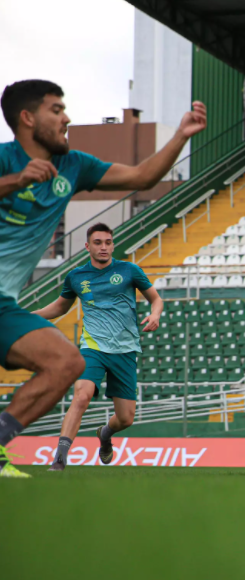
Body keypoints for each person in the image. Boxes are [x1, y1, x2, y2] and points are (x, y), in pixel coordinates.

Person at [0, 80, 206, 478]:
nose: (67, 118)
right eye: (56, 110)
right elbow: (62, 303)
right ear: (28, 118)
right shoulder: (5, 160)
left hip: (6, 306)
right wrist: (17, 181)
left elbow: (143, 176)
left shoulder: (73, 166)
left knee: (65, 363)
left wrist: (181, 136)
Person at [32, 223, 163, 471]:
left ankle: (105, 434)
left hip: (125, 350)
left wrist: (155, 314)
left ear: (113, 244)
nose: (104, 247)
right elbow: (60, 307)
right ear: (87, 246)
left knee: (126, 418)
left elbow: (156, 299)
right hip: (92, 347)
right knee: (81, 397)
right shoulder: (76, 276)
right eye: (98, 242)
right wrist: (27, 315)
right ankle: (59, 458)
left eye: (108, 242)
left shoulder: (130, 270)